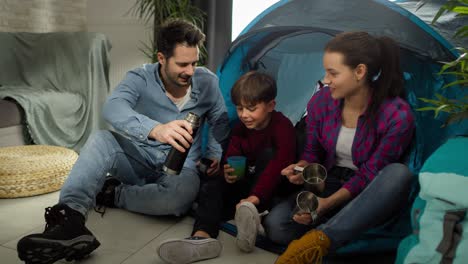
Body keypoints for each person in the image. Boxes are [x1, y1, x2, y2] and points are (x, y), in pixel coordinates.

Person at [16, 19, 230, 264]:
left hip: (183, 168)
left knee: (179, 199)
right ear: (162, 58)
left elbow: (219, 120)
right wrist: (156, 129)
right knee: (101, 139)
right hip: (139, 157)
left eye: (194, 63)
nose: (190, 71)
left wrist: (214, 152)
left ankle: (112, 193)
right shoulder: (140, 77)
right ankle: (69, 221)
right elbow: (112, 108)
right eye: (182, 64)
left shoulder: (207, 81)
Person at [263, 32, 416, 264]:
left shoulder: (397, 115)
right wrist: (303, 169)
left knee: (399, 174)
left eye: (333, 73)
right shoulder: (321, 101)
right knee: (276, 226)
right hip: (331, 180)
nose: (325, 80)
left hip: (371, 192)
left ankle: (321, 239)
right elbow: (312, 152)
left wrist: (326, 205)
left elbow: (370, 173)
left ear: (360, 72)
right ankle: (341, 234)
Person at [157, 71, 297, 264]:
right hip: (247, 189)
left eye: (251, 108)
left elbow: (278, 167)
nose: (244, 115)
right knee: (212, 185)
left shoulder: (283, 127)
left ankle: (253, 217)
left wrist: (253, 198)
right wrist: (227, 172)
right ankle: (201, 237)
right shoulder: (240, 128)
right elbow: (231, 156)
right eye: (240, 109)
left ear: (271, 105)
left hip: (272, 190)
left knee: (269, 155)